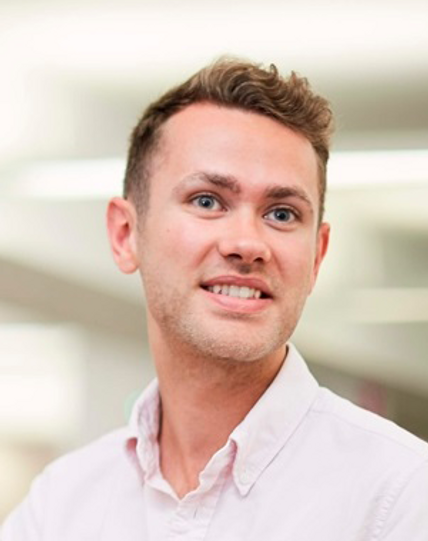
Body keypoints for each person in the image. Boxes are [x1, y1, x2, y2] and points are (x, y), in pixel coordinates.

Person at [2, 58, 428, 540]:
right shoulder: (62, 505)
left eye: (283, 213)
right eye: (207, 201)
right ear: (126, 234)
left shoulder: (401, 497)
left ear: (317, 256)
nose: (247, 243)